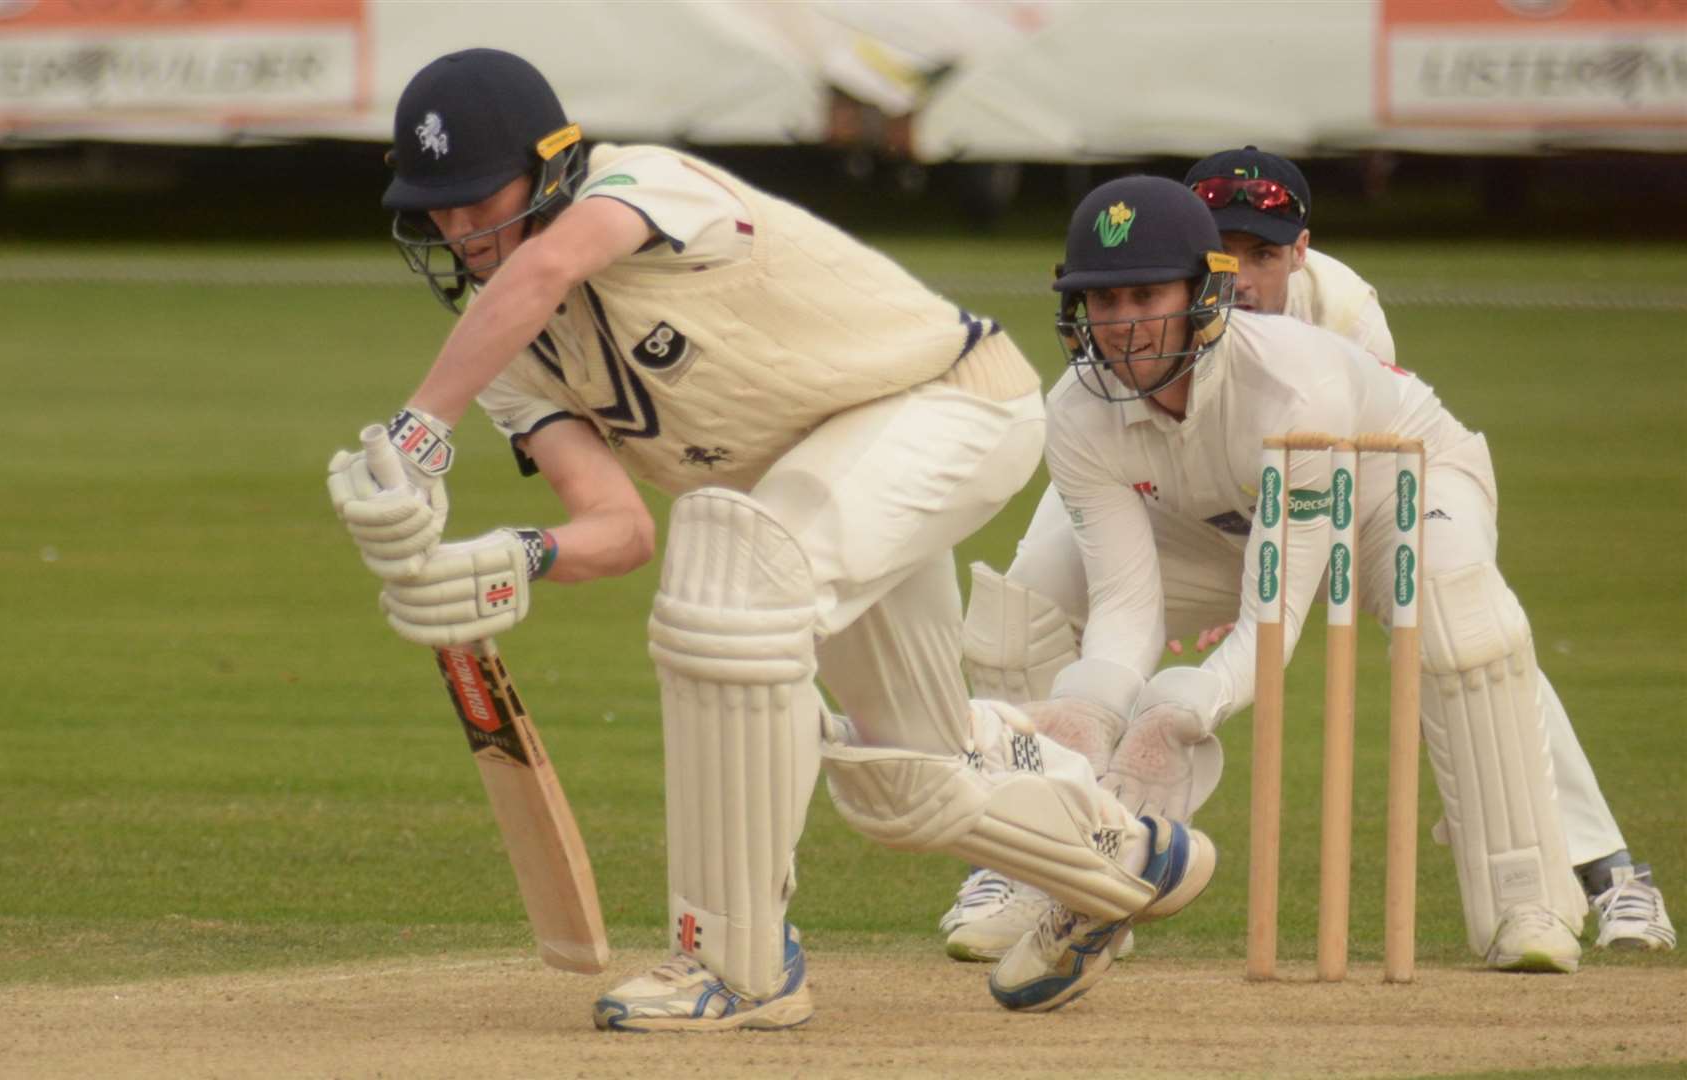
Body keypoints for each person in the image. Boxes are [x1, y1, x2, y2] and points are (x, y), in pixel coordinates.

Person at [324, 48, 1216, 1030]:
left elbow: (547, 266)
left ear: (552, 167)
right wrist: (508, 558)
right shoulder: (511, 361)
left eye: (475, 197)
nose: (461, 230)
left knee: (733, 585)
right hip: (819, 479)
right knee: (902, 782)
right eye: (437, 210)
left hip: (942, 403)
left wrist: (414, 438)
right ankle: (1121, 858)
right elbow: (618, 531)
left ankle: (737, 964)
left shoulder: (643, 185)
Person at [942, 153, 1674, 964]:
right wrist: (1093, 712)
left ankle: (1531, 902)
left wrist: (1190, 702)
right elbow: (1125, 605)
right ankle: (1044, 878)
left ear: (1206, 291)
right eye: (1105, 299)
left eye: (1147, 295)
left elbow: (1276, 610)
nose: (1124, 325)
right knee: (1021, 618)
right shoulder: (1078, 407)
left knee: (1458, 626)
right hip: (1207, 508)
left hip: (1385, 488)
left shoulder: (1304, 371)